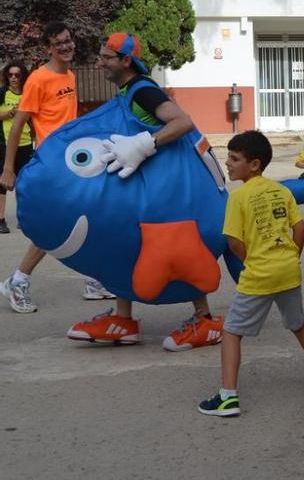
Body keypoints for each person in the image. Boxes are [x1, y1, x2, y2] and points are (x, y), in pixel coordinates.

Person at [62, 32, 224, 351]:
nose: (100, 62)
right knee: (127, 242)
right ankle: (123, 319)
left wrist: (144, 143)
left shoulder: (142, 90)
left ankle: (205, 319)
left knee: (179, 248)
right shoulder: (127, 91)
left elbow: (182, 122)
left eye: (105, 57)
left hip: (169, 191)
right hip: (145, 186)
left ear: (125, 61)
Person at [198, 131, 304, 417]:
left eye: (234, 159)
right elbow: (299, 229)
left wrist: (251, 260)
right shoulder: (282, 191)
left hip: (259, 276)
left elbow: (233, 241)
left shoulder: (238, 198)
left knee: (232, 332)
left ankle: (228, 396)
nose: (227, 163)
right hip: (287, 271)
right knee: (298, 323)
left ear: (254, 164)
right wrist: (291, 257)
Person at [0, 22, 115, 313]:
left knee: (91, 214)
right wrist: (8, 168)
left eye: (68, 40)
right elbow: (17, 126)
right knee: (56, 224)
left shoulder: (71, 75)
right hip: (52, 164)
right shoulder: (38, 79)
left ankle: (92, 280)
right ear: (49, 48)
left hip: (71, 161)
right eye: (59, 43)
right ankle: (18, 280)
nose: (66, 46)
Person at [0, 61, 34, 234]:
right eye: (10, 75)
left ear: (22, 77)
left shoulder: (28, 93)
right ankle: (1, 220)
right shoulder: (2, 93)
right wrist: (12, 112)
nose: (13, 78)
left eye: (17, 75)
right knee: (1, 183)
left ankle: (23, 218)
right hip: (4, 143)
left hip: (26, 142)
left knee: (23, 182)